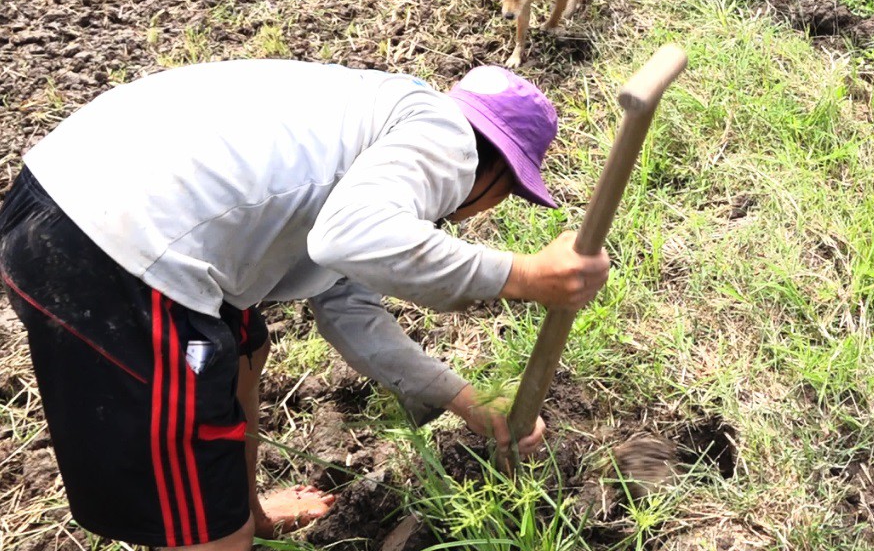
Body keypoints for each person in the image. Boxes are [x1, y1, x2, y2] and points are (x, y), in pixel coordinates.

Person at [0, 59, 611, 549]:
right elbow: (350, 239)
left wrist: (467, 402)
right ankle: (229, 529)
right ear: (496, 172)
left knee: (246, 348)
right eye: (509, 194)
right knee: (205, 519)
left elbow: (346, 302)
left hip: (62, 192)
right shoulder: (448, 142)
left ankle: (250, 513)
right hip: (114, 244)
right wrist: (521, 274)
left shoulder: (383, 122)